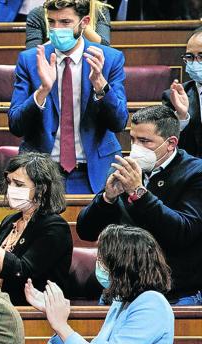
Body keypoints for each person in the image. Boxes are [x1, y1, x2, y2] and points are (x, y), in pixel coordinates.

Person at [76, 105, 202, 304]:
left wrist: (139, 193)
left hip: (173, 294)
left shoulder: (195, 173)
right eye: (133, 139)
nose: (136, 148)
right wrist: (106, 199)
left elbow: (183, 231)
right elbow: (86, 232)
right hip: (120, 290)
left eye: (145, 141)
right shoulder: (123, 170)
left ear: (171, 143)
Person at [25, 224, 174, 344]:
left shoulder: (151, 304)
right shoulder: (120, 302)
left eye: (103, 260)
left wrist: (62, 326)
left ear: (124, 265)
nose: (99, 265)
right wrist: (55, 319)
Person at [9, 0, 128, 194]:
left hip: (94, 172)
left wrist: (101, 86)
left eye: (65, 22)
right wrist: (42, 91)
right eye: (52, 22)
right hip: (42, 173)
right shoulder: (30, 60)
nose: (57, 29)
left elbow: (119, 123)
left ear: (84, 22)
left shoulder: (108, 59)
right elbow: (16, 125)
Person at [0, 152, 72, 305]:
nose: (11, 189)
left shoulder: (55, 227)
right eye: (9, 182)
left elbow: (22, 271)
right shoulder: (9, 222)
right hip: (0, 304)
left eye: (19, 184)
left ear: (41, 189)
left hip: (36, 311)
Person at [162, 28, 202, 158]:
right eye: (190, 57)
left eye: (201, 56)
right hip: (192, 173)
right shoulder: (173, 97)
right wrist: (182, 117)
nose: (195, 63)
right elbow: (165, 147)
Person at [25, 0, 112, 49]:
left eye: (65, 22)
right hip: (52, 63)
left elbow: (105, 48)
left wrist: (79, 14)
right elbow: (31, 53)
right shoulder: (38, 13)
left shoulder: (99, 10)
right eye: (51, 21)